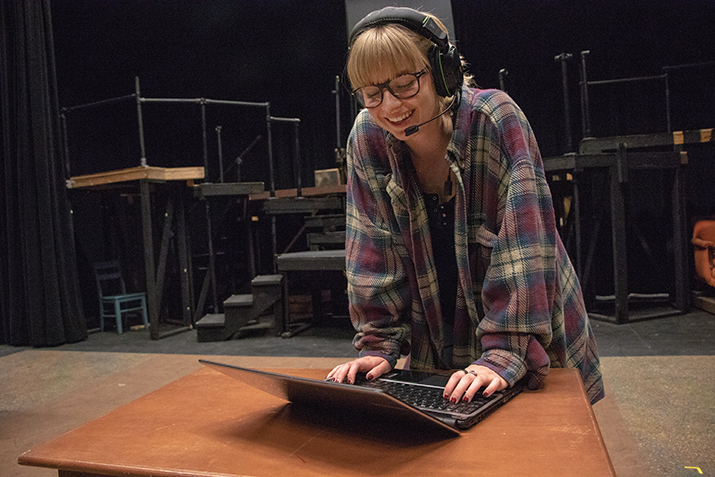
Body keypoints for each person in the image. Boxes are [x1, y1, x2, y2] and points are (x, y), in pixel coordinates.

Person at [327, 6, 604, 405]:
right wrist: (377, 345)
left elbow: (526, 246)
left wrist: (506, 349)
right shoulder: (367, 138)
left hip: (528, 331)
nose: (389, 106)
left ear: (443, 73)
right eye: (372, 94)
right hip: (442, 338)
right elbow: (371, 249)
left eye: (405, 84)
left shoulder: (495, 118)